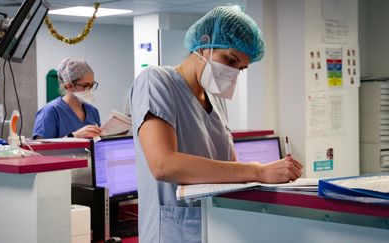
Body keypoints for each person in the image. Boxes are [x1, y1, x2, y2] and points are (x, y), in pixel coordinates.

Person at [129, 6, 303, 243]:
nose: (232, 72)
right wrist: (259, 171)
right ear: (204, 43)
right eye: (229, 60)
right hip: (174, 233)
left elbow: (226, 167)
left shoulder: (216, 100)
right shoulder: (157, 81)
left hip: (218, 227)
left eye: (240, 68)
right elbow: (164, 164)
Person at [33, 58, 102, 139]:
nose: (89, 89)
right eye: (85, 86)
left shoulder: (93, 112)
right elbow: (39, 149)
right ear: (69, 86)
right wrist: (74, 136)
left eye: (91, 85)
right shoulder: (50, 112)